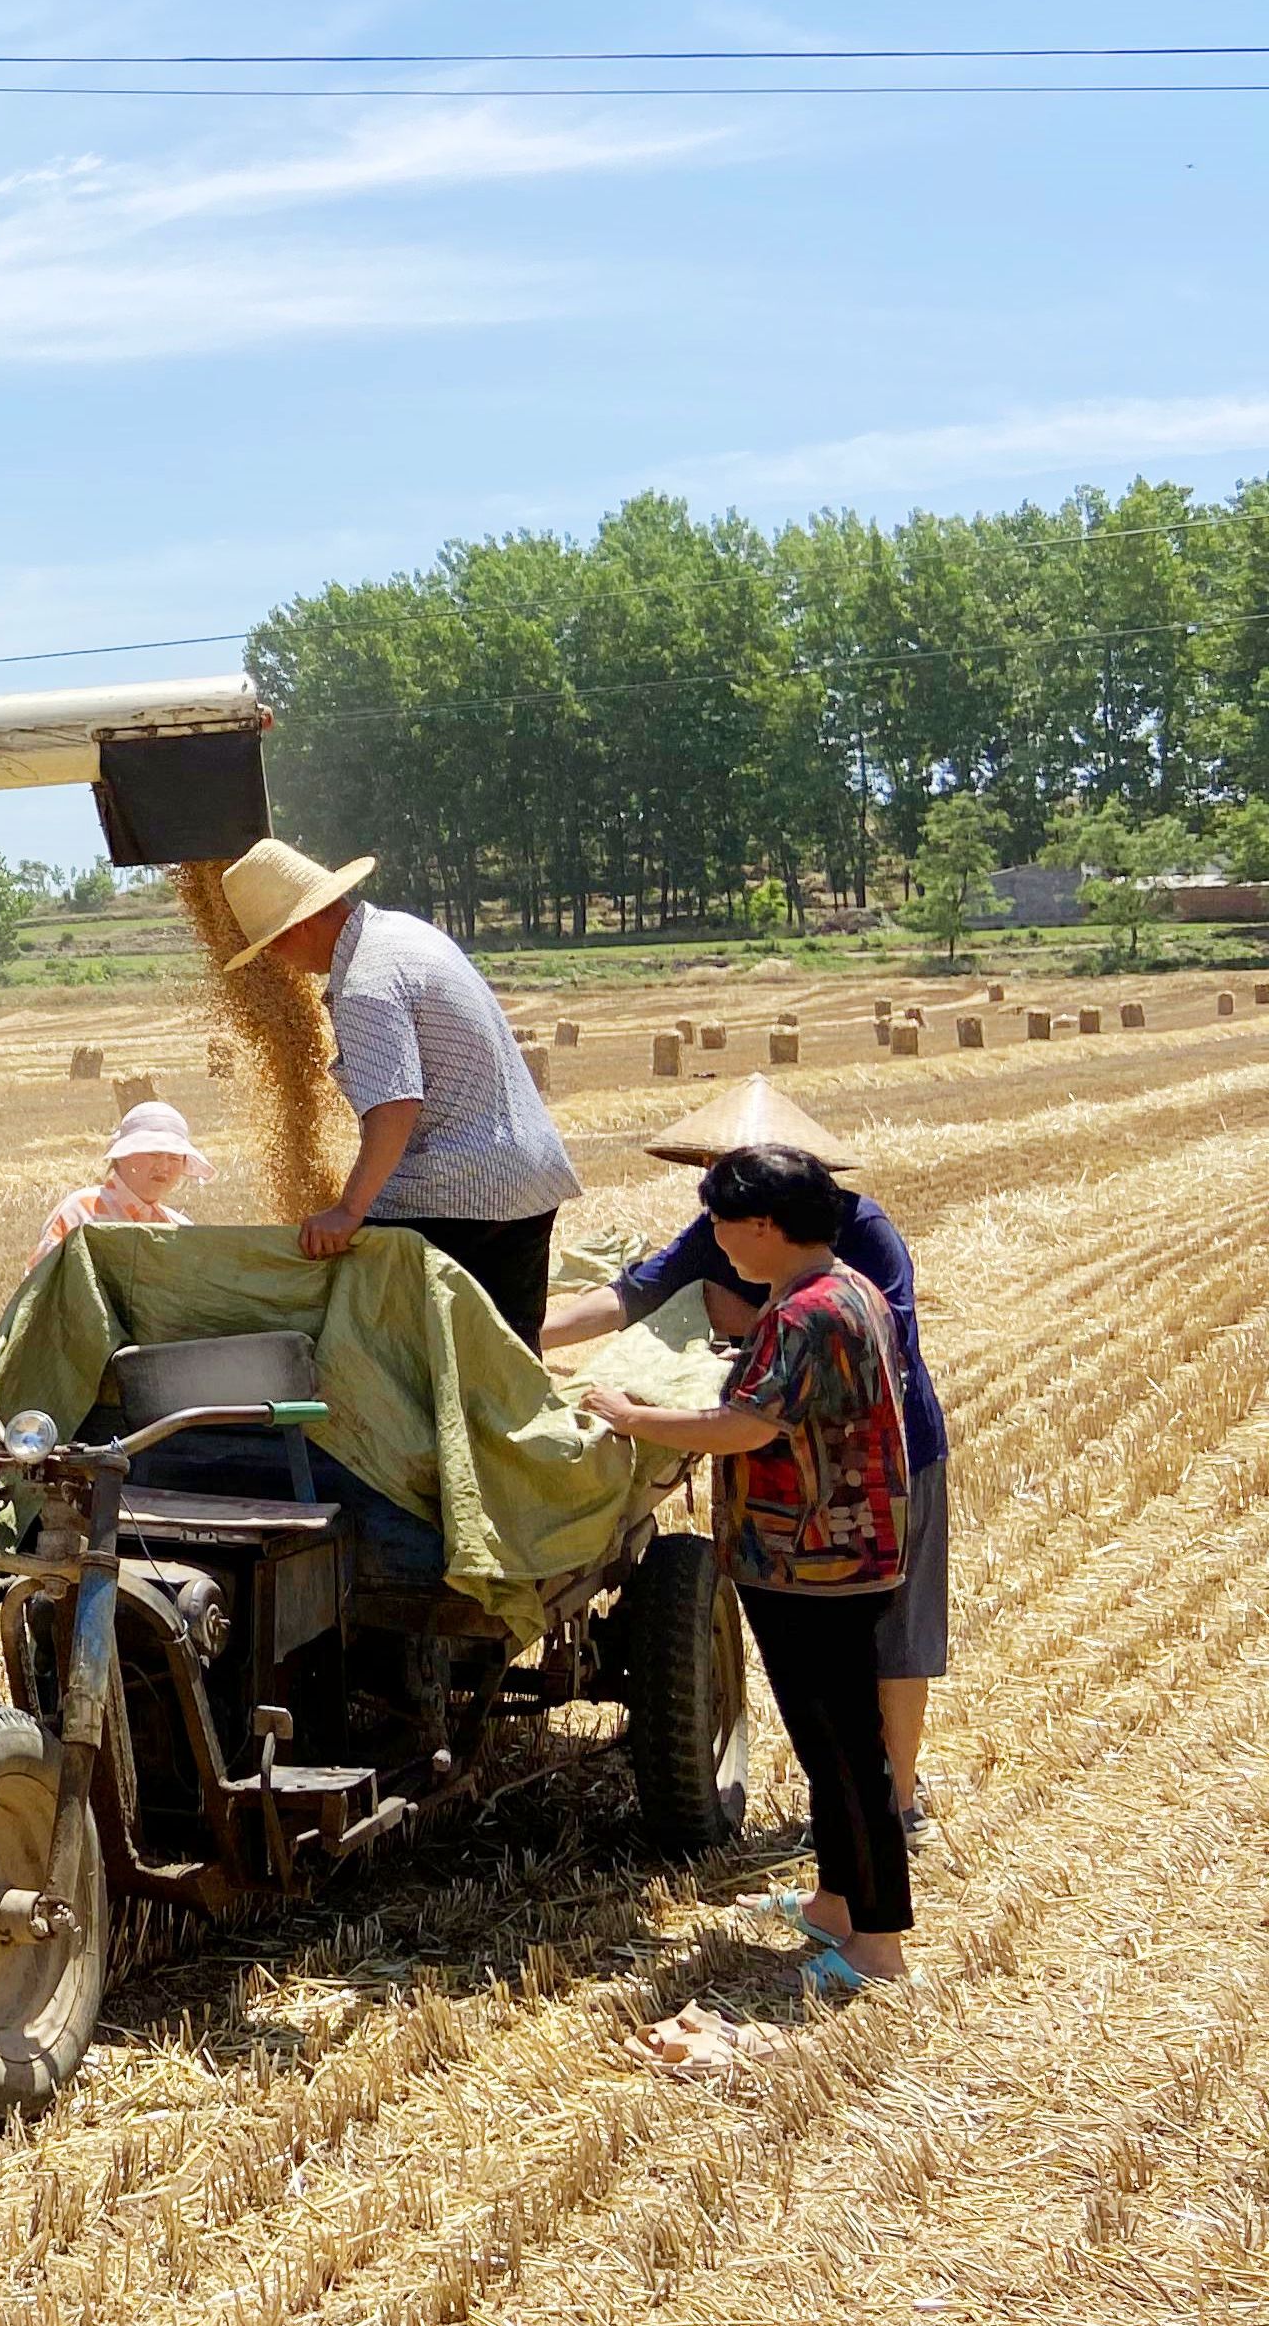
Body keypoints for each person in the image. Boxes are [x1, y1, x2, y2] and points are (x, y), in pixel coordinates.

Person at [539, 1078, 951, 1838]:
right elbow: (637, 1294)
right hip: (792, 1479)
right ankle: (857, 1831)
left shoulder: (859, 1240)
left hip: (883, 1465)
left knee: (892, 1642)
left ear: (771, 1206)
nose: (710, 1204)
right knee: (825, 1665)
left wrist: (743, 1333)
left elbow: (852, 1351)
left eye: (726, 1185)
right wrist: (528, 1338)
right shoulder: (721, 1232)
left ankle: (893, 1810)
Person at [582, 1143, 915, 1990]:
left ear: (765, 1225)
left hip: (815, 1558)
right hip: (835, 1550)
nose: (719, 1244)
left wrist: (634, 1415)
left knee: (846, 1752)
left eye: (726, 1228)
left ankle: (878, 1949)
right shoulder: (845, 1290)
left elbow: (745, 1427)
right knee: (827, 1743)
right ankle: (835, 1907)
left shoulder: (806, 1313)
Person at [216, 838, 580, 1345]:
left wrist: (348, 1210)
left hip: (459, 1188)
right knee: (509, 1353)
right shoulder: (404, 933)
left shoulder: (364, 984)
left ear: (299, 925)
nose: (277, 961)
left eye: (272, 944)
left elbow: (395, 1107)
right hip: (527, 1176)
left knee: (397, 1345)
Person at [30, 1101, 211, 1267]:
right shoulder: (80, 1213)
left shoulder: (180, 1229)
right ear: (124, 1157)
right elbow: (39, 1289)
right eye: (153, 1154)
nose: (164, 1166)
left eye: (174, 1158)